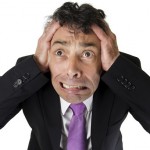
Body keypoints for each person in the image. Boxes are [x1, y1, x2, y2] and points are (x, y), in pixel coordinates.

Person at [0, 2, 150, 150]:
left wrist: (115, 65)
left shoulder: (122, 75)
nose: (72, 70)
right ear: (48, 53)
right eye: (60, 52)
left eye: (87, 54)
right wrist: (37, 64)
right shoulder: (31, 76)